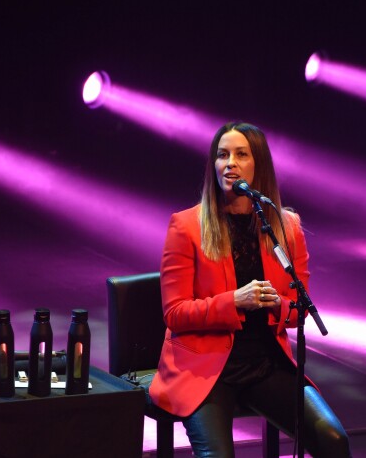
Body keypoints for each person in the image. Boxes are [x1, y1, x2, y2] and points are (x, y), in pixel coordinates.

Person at [147, 121, 351, 458]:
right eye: (222, 155)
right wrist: (234, 301)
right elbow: (175, 313)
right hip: (206, 369)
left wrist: (276, 306)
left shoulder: (285, 227)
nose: (230, 163)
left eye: (241, 155)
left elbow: (299, 308)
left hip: (265, 364)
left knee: (333, 438)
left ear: (259, 165)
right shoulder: (185, 226)